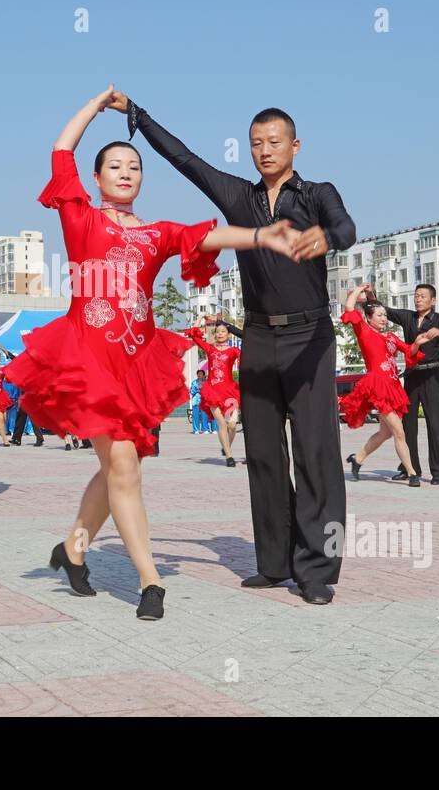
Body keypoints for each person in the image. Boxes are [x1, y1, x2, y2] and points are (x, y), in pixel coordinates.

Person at [5, 87, 307, 620]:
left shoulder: (157, 233)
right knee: (123, 466)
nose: (126, 173)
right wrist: (96, 108)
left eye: (135, 167)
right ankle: (149, 582)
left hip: (138, 362)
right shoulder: (80, 218)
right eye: (115, 166)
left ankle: (74, 548)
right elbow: (60, 150)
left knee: (118, 466)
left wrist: (264, 236)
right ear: (96, 179)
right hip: (88, 359)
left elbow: (210, 236)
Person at [115, 91, 356, 605]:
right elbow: (187, 162)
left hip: (310, 338)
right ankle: (274, 562)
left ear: (295, 145)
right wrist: (138, 114)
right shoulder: (241, 199)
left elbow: (346, 228)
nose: (265, 150)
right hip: (259, 339)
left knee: (316, 455)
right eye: (256, 143)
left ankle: (317, 569)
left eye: (274, 141)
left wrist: (325, 240)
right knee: (264, 454)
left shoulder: (317, 194)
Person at [339, 284, 425, 487]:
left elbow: (410, 351)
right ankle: (412, 473)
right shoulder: (363, 330)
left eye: (384, 315)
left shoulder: (391, 337)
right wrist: (359, 289)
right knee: (399, 432)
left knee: (385, 433)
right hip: (378, 387)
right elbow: (350, 308)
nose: (384, 319)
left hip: (394, 386)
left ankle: (357, 459)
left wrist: (419, 341)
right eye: (379, 315)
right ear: (369, 318)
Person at [386, 284, 439, 485]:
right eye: (416, 296)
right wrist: (369, 296)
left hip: (432, 376)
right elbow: (387, 311)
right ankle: (409, 468)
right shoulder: (408, 317)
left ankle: (438, 472)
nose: (418, 299)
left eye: (423, 296)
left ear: (433, 300)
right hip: (411, 376)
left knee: (434, 424)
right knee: (407, 425)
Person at [183, 314, 242, 465]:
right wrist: (201, 317)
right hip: (213, 391)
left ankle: (226, 445)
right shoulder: (209, 349)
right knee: (221, 423)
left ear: (229, 334)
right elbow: (193, 333)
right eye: (218, 331)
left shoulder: (234, 350)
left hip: (230, 393)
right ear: (214, 334)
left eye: (223, 331)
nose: (220, 334)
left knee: (232, 424)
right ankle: (229, 456)